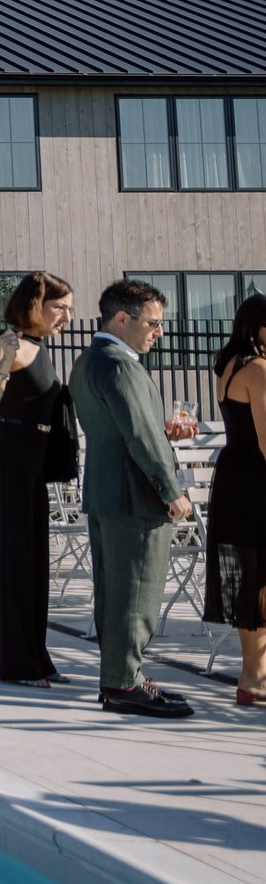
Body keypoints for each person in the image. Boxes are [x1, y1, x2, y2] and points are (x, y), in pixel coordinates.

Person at [73, 279, 195, 717]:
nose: (159, 332)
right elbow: (139, 436)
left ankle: (123, 677)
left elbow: (128, 428)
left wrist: (163, 431)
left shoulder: (89, 360)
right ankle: (124, 683)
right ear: (122, 319)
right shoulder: (119, 365)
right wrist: (171, 490)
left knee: (116, 592)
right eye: (153, 323)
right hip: (135, 496)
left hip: (109, 492)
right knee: (136, 595)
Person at [0, 270, 76, 686]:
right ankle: (15, 663)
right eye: (60, 308)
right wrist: (2, 365)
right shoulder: (10, 343)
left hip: (31, 462)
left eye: (69, 309)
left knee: (33, 563)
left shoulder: (40, 346)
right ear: (36, 305)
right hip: (8, 458)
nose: (67, 317)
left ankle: (36, 656)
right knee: (13, 562)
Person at [205, 295, 266, 705]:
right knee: (260, 574)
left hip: (234, 474)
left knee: (250, 573)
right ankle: (256, 676)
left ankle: (253, 675)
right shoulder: (258, 369)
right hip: (258, 478)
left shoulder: (228, 365)